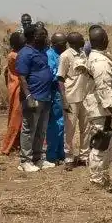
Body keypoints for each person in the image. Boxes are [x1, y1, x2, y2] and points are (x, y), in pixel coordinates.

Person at [82, 25, 112, 188]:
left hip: (103, 110)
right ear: (103, 40)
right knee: (100, 145)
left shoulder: (98, 57)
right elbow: (103, 89)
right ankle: (96, 179)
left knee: (107, 146)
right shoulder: (99, 61)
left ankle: (103, 176)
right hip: (102, 110)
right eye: (106, 37)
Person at [16, 23, 54, 172]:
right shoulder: (25, 53)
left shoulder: (42, 51)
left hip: (45, 96)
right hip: (33, 96)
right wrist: (29, 96)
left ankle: (38, 158)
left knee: (41, 130)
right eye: (41, 35)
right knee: (29, 130)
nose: (45, 37)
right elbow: (22, 77)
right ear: (33, 37)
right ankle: (25, 161)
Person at [59, 32, 90, 169]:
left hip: (84, 97)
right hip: (71, 97)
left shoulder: (83, 54)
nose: (84, 40)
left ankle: (84, 156)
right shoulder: (65, 56)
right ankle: (69, 158)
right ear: (74, 42)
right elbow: (60, 79)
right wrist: (64, 100)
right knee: (70, 130)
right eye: (81, 39)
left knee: (86, 128)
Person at [1, 31, 26, 156]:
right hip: (18, 87)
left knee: (18, 117)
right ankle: (8, 145)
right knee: (16, 117)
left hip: (14, 85)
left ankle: (17, 143)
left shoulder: (14, 54)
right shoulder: (15, 56)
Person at [45, 33, 67, 166]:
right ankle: (51, 155)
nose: (65, 46)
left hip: (62, 93)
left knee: (62, 124)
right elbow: (52, 75)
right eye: (62, 44)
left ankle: (60, 153)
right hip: (54, 93)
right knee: (54, 125)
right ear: (54, 44)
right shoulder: (50, 55)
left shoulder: (62, 55)